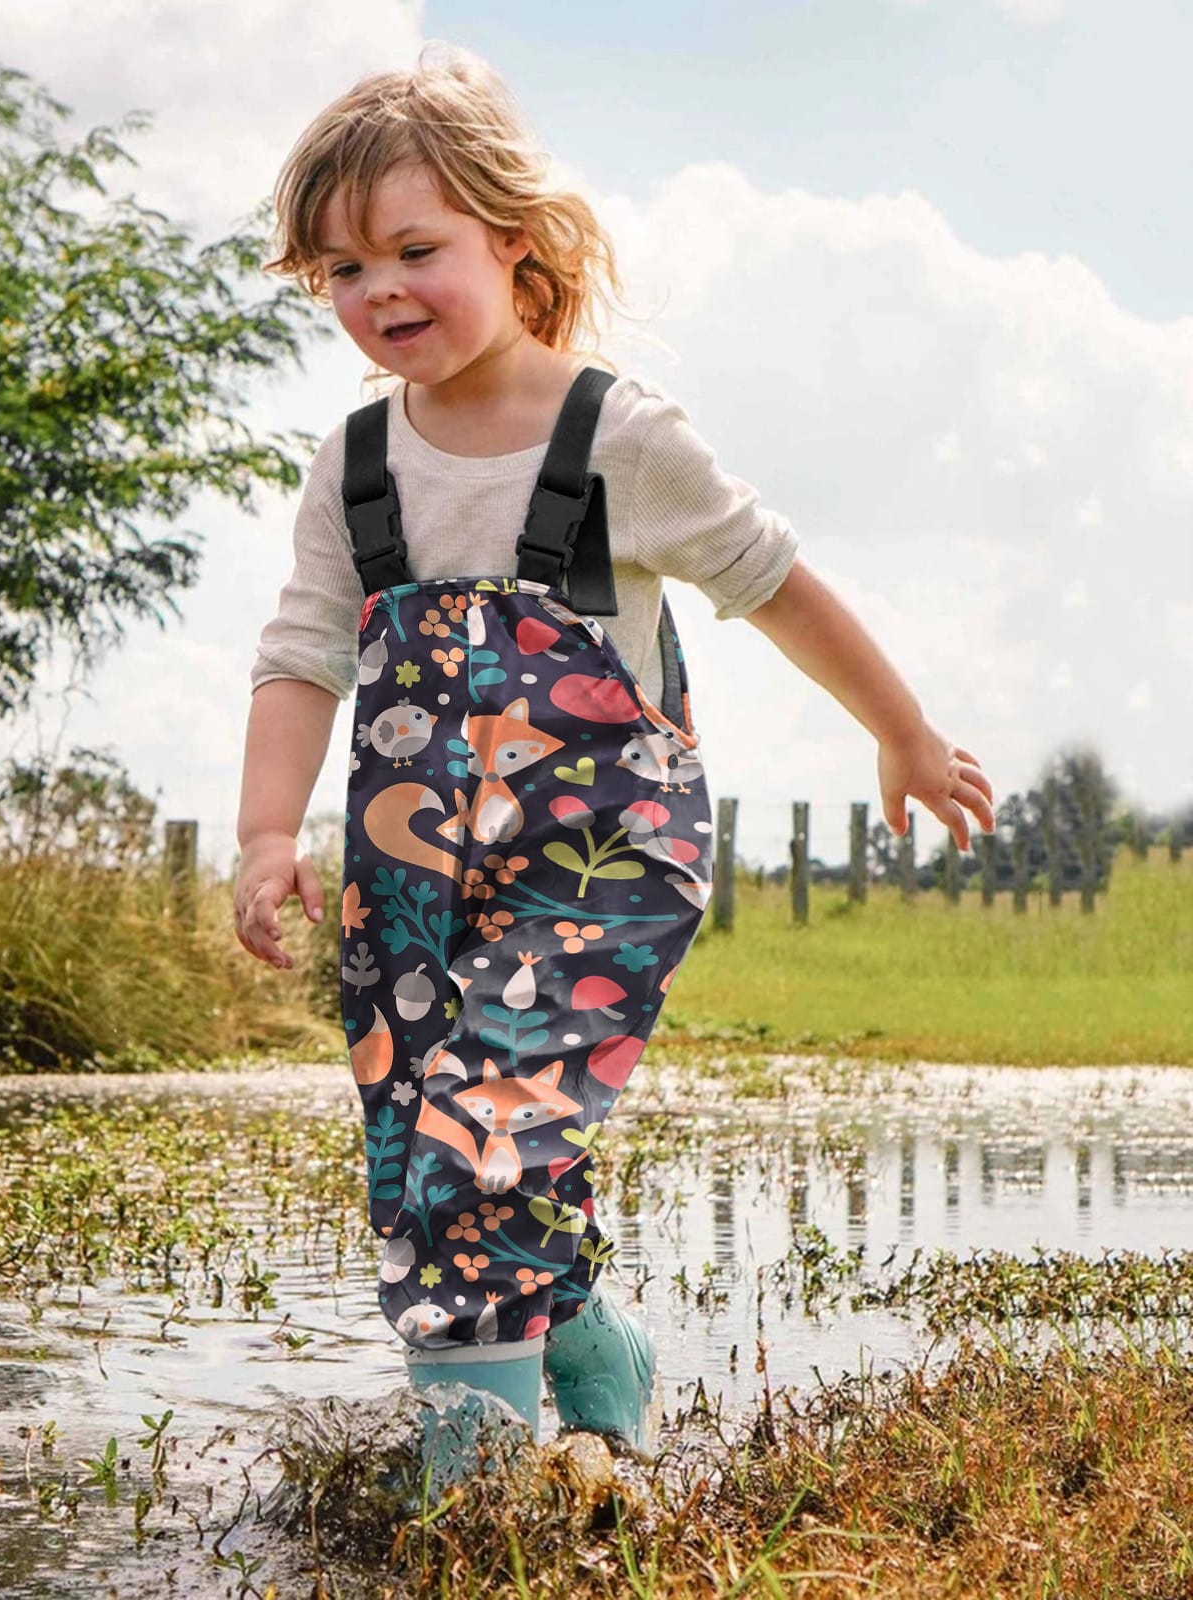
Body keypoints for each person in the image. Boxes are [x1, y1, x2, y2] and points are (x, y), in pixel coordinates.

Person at [233, 45, 995, 1487]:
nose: (379, 291)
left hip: (603, 865)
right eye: (341, 270)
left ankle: (475, 1457)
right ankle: (588, 1348)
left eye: (414, 250)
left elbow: (775, 581)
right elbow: (301, 655)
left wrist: (898, 728)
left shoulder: (618, 438)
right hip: (408, 886)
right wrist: (270, 832)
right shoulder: (353, 469)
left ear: (511, 240)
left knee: (488, 1123)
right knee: (417, 1146)